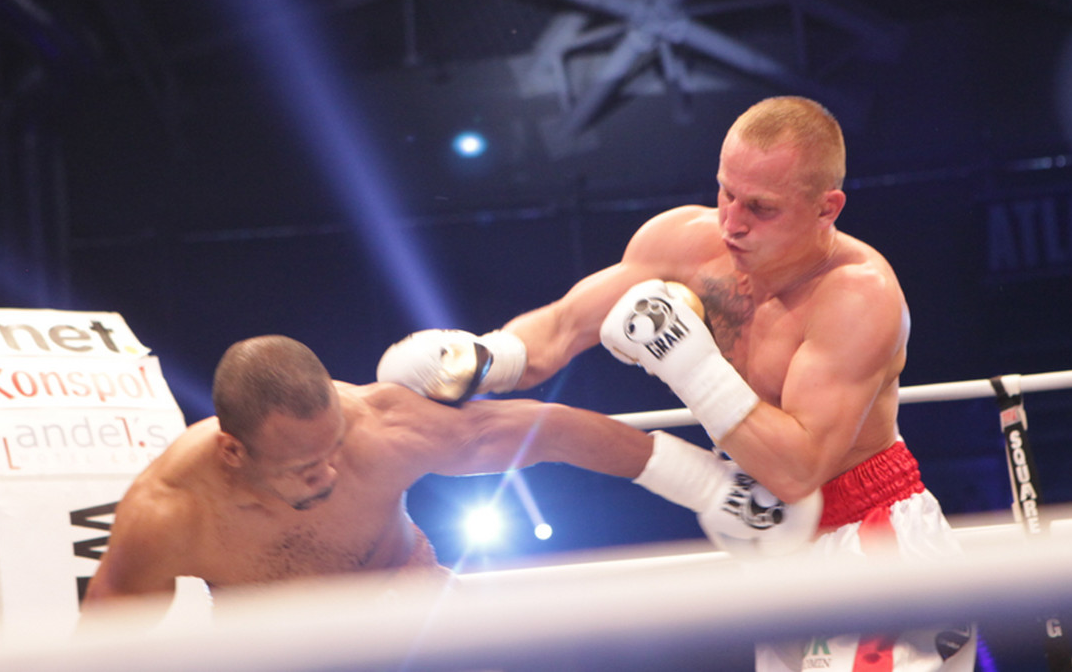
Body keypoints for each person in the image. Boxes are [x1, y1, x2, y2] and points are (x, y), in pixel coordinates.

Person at [378, 96, 976, 671]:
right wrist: (482, 357)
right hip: (770, 540)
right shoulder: (685, 242)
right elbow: (559, 330)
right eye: (726, 192)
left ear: (828, 208)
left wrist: (688, 361)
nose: (732, 222)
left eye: (760, 208)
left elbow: (798, 470)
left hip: (869, 536)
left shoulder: (856, 295)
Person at [80, 334, 818, 628]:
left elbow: (547, 430)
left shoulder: (381, 428)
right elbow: (108, 636)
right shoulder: (170, 513)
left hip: (415, 621)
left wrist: (706, 484)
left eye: (332, 446)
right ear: (234, 453)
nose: (331, 471)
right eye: (304, 468)